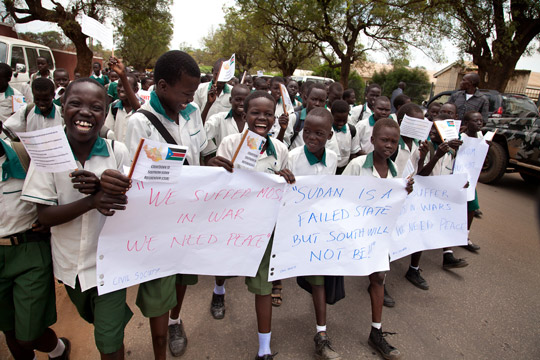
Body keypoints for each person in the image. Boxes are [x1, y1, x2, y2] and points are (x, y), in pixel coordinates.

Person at [21, 78, 132, 360]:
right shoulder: (47, 154)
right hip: (69, 266)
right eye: (75, 104)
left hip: (109, 265)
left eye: (96, 107)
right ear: (62, 108)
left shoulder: (116, 153)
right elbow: (44, 215)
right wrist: (92, 201)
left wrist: (108, 189)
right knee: (94, 319)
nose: (85, 112)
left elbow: (133, 203)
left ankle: (113, 326)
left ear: (105, 113)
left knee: (108, 341)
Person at [124, 50, 215, 359]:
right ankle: (159, 348)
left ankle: (176, 321)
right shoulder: (139, 124)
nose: (190, 99)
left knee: (182, 277)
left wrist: (217, 164)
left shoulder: (190, 113)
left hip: (188, 217)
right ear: (162, 86)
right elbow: (137, 180)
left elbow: (201, 155)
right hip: (157, 223)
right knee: (158, 288)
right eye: (186, 92)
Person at [208, 90, 295, 360]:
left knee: (263, 287)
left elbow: (286, 192)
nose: (262, 118)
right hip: (233, 223)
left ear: (274, 119)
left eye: (268, 114)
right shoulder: (230, 143)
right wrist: (217, 169)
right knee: (223, 266)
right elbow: (216, 185)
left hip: (264, 227)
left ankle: (264, 349)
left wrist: (286, 179)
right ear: (244, 115)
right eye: (255, 112)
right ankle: (219, 290)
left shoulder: (280, 149)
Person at [342, 118, 413, 360]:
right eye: (384, 140)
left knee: (379, 278)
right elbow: (342, 197)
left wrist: (405, 191)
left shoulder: (396, 171)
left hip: (379, 235)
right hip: (354, 232)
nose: (389, 145)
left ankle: (376, 331)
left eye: (394, 141)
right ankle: (322, 331)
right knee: (328, 283)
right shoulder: (357, 165)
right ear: (372, 140)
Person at [1, 120, 71, 360]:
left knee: (28, 333)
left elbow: (58, 188)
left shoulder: (24, 155)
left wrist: (47, 217)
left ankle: (58, 349)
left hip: (28, 248)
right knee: (8, 328)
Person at [287, 107, 341, 360]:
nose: (312, 137)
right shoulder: (292, 157)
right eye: (307, 131)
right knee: (278, 271)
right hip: (292, 227)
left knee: (318, 279)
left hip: (318, 231)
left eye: (319, 133)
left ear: (330, 135)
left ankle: (321, 334)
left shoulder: (333, 157)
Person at [416, 113, 469, 270]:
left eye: (437, 128)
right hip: (424, 197)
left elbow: (449, 173)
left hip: (440, 197)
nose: (432, 130)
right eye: (432, 126)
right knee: (420, 231)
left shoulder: (451, 152)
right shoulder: (426, 146)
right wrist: (436, 155)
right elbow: (421, 175)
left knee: (446, 222)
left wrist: (459, 184)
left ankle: (448, 255)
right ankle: (414, 268)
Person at [459, 111, 485, 252]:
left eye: (481, 120)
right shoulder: (461, 137)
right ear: (467, 124)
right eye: (476, 121)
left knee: (472, 207)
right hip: (459, 177)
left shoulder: (481, 137)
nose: (480, 123)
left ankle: (465, 236)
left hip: (471, 177)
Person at [104, 57, 141, 142]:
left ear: (135, 90)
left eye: (126, 87)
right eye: (119, 86)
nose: (121, 89)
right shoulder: (114, 107)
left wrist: (122, 75)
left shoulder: (143, 108)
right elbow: (108, 130)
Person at [205, 83, 250, 148]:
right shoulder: (219, 118)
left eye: (245, 100)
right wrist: (208, 104)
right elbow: (202, 132)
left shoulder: (253, 121)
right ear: (230, 100)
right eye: (238, 100)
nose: (242, 103)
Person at [331, 99, 361, 174]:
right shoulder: (326, 130)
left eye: (344, 120)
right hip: (328, 169)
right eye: (337, 120)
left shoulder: (352, 131)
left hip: (344, 170)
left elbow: (353, 152)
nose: (341, 123)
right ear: (331, 115)